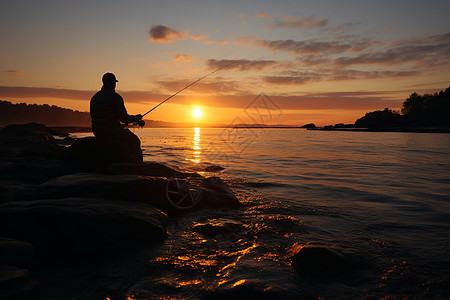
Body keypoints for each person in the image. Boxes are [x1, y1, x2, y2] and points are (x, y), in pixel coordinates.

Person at [90, 72, 143, 163]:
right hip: (111, 131)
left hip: (97, 131)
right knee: (135, 140)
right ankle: (138, 165)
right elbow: (124, 118)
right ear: (114, 83)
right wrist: (135, 118)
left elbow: (94, 116)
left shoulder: (94, 97)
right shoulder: (115, 97)